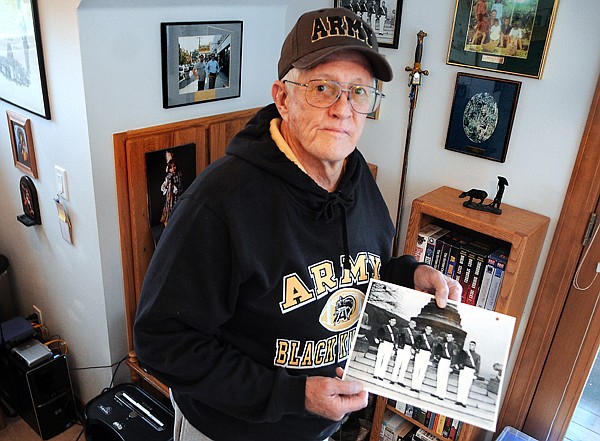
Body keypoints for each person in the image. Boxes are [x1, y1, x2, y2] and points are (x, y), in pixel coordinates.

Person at [134, 7, 461, 441]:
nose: (343, 110)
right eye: (323, 88)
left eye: (359, 92)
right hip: (232, 431)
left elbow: (363, 268)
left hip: (319, 427)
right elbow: (162, 341)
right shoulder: (218, 202)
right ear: (283, 97)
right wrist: (293, 396)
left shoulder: (357, 176)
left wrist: (408, 274)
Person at [390, 319, 417, 387]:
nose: (412, 325)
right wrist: (397, 345)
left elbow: (415, 343)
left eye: (413, 324)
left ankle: (400, 380)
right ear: (409, 324)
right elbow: (399, 338)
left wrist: (413, 350)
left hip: (409, 349)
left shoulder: (416, 334)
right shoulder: (404, 330)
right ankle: (393, 379)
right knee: (397, 363)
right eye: (411, 323)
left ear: (415, 325)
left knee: (404, 365)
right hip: (402, 347)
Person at [159, 150, 183, 226]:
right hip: (170, 198)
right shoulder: (168, 177)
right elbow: (164, 186)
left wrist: (176, 189)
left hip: (177, 196)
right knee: (169, 209)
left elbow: (180, 185)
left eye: (174, 166)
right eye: (171, 167)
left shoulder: (178, 175)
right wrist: (165, 187)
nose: (173, 169)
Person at [432, 333, 459, 400]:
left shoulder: (454, 347)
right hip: (442, 360)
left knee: (444, 378)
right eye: (447, 337)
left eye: (450, 337)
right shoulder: (443, 345)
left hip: (448, 361)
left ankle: (442, 394)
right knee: (439, 376)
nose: (448, 338)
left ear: (452, 338)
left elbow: (455, 356)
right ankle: (437, 392)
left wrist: (452, 366)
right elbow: (439, 353)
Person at [411, 325, 435, 392]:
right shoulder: (420, 336)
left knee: (422, 371)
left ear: (431, 331)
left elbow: (433, 349)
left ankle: (418, 388)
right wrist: (415, 350)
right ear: (425, 329)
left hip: (426, 354)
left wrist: (431, 358)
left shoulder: (432, 339)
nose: (428, 330)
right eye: (427, 329)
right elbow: (415, 343)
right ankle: (413, 386)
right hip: (420, 352)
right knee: (416, 369)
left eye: (429, 329)